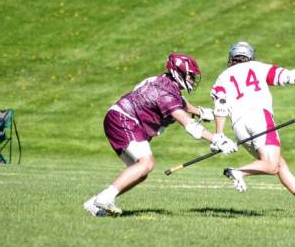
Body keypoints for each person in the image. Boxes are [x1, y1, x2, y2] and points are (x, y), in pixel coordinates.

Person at [83, 53, 237, 217]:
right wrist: (217, 139)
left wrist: (200, 112)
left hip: (121, 118)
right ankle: (104, 199)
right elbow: (190, 126)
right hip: (124, 120)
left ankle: (95, 202)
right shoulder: (165, 94)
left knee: (141, 172)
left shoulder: (164, 82)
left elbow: (180, 102)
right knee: (146, 163)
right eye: (190, 76)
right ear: (178, 73)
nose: (192, 80)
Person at [209, 41, 295, 218]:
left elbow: (220, 106)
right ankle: (238, 172)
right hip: (259, 117)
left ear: (231, 58)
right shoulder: (257, 67)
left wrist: (218, 135)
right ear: (250, 56)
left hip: (238, 126)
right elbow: (290, 78)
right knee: (271, 165)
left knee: (279, 163)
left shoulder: (222, 77)